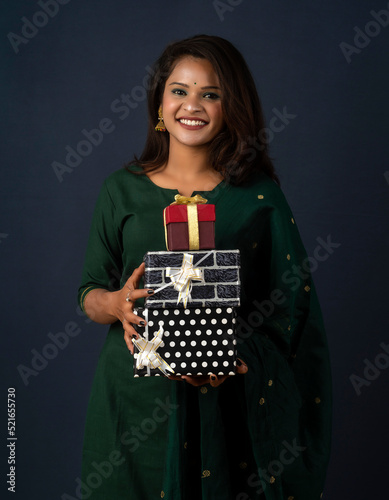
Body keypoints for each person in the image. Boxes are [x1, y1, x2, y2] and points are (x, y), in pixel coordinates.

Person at [78, 34, 332, 500]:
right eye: (179, 90)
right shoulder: (121, 190)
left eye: (210, 94)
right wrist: (113, 303)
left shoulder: (258, 196)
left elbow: (289, 310)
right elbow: (89, 292)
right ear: (159, 101)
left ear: (230, 107)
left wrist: (233, 355)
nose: (191, 105)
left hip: (229, 400)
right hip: (135, 401)